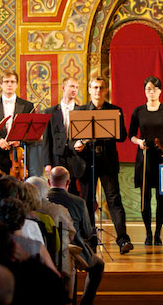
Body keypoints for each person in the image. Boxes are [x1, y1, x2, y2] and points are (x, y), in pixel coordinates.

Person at [73, 76, 133, 255]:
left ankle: (123, 240)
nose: (98, 91)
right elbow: (73, 138)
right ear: (90, 90)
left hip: (107, 161)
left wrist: (113, 126)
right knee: (87, 201)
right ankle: (89, 238)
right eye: (95, 88)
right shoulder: (81, 110)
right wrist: (77, 145)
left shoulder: (115, 110)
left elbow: (122, 136)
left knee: (114, 200)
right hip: (87, 161)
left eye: (101, 88)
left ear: (106, 91)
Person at [129, 76, 163, 246]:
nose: (152, 92)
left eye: (155, 89)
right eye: (148, 89)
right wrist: (139, 142)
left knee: (161, 197)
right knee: (145, 198)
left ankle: (158, 233)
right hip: (144, 159)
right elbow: (131, 135)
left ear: (160, 91)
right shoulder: (138, 111)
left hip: (162, 158)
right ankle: (148, 233)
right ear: (145, 91)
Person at [47, 166, 104, 305]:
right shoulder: (78, 202)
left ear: (49, 182)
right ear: (68, 183)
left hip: (47, 250)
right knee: (98, 265)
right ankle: (85, 302)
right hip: (73, 249)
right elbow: (87, 232)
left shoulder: (43, 201)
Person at [0, 69, 34, 173]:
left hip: (20, 158)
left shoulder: (28, 106)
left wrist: (20, 141)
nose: (9, 84)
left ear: (17, 85)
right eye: (6, 82)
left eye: (12, 82)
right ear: (0, 84)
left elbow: (32, 133)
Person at [43, 77, 84, 195]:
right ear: (63, 88)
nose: (74, 90)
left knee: (74, 192)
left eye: (76, 87)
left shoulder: (81, 111)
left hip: (76, 158)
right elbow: (47, 139)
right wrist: (47, 163)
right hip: (57, 157)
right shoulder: (50, 112)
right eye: (72, 86)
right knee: (57, 192)